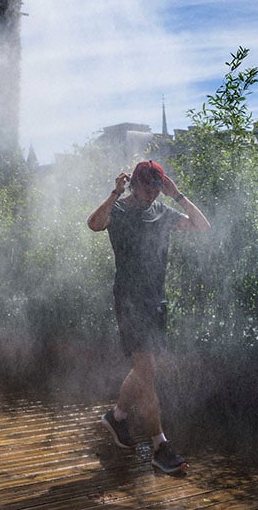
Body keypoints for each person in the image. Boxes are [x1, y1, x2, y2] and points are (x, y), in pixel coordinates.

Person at [87, 159, 211, 474]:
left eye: (157, 189)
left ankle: (116, 417)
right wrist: (114, 193)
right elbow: (94, 224)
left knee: (143, 369)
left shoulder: (163, 211)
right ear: (134, 184)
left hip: (156, 301)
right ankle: (160, 446)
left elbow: (202, 227)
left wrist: (177, 194)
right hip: (129, 302)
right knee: (148, 370)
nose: (152, 195)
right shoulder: (119, 210)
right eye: (147, 188)